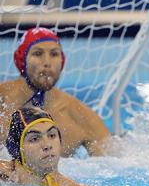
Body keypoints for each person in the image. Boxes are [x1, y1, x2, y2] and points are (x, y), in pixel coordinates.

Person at [0, 27, 111, 157]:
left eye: (54, 54)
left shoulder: (81, 118)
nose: (47, 62)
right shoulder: (2, 99)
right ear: (21, 59)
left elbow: (112, 168)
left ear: (62, 61)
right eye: (37, 53)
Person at [0, 106, 107, 186]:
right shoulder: (4, 179)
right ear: (17, 149)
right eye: (34, 139)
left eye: (52, 135)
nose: (47, 145)